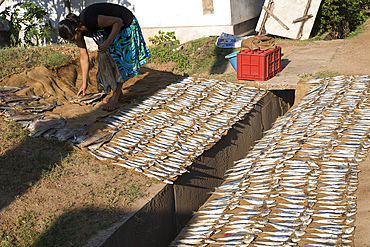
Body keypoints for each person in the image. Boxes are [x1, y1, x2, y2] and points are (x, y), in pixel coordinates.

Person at [58, 3, 150, 111]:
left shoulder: (89, 19)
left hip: (125, 24)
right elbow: (83, 57)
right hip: (113, 29)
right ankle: (118, 93)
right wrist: (84, 84)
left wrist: (108, 42)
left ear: (77, 29)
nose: (75, 41)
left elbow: (118, 21)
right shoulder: (78, 31)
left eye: (73, 39)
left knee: (118, 60)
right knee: (109, 59)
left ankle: (115, 100)